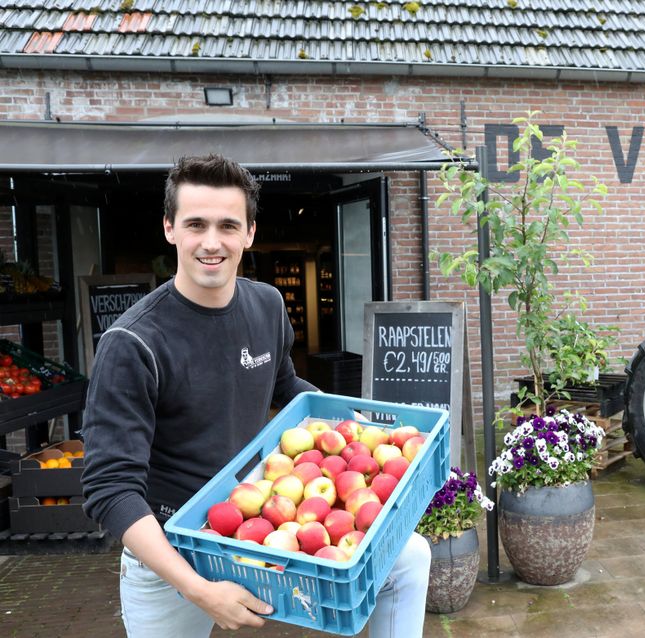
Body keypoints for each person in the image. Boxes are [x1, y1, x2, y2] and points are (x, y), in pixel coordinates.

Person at [81, 154, 430, 637]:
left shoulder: (266, 304)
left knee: (409, 555)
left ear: (248, 232)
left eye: (227, 225)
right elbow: (110, 490)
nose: (211, 242)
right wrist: (198, 589)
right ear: (169, 228)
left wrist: (365, 433)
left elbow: (288, 391)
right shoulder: (133, 343)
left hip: (255, 523)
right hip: (170, 555)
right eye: (195, 224)